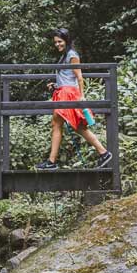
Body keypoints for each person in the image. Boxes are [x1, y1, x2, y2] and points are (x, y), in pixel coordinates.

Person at [35, 29, 113, 170]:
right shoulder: (65, 55)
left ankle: (52, 162)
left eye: (60, 41)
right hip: (63, 91)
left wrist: (81, 96)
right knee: (74, 126)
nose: (57, 44)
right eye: (56, 42)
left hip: (69, 94)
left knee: (59, 124)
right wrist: (56, 85)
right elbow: (67, 77)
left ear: (67, 41)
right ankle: (103, 153)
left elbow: (79, 77)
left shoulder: (72, 55)